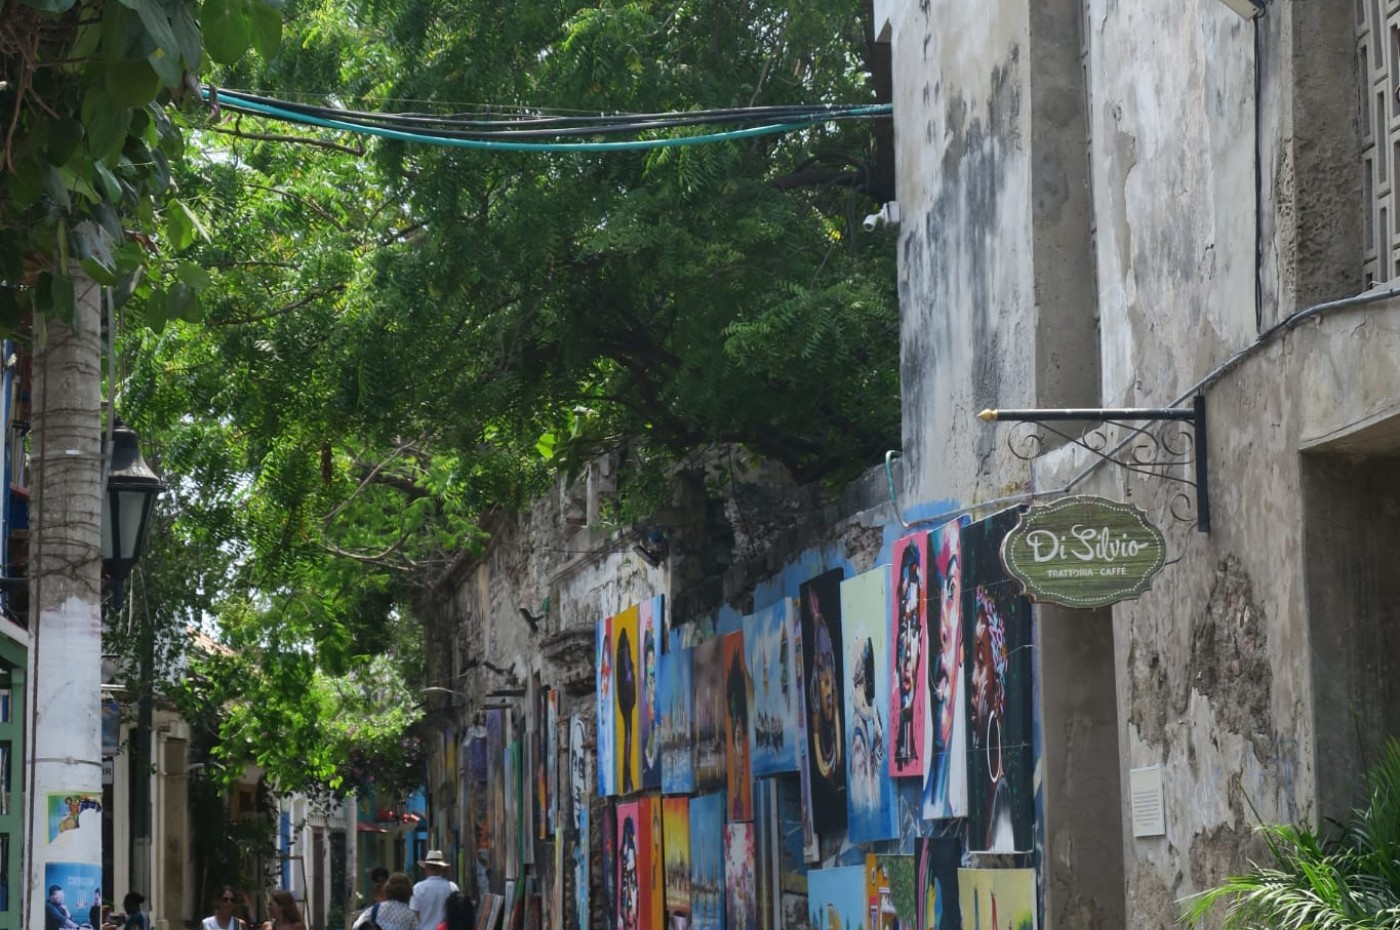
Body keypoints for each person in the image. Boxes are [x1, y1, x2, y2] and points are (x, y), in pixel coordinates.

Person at [409, 851, 459, 930]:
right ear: (441, 869)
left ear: (426, 868)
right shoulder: (452, 888)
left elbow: (414, 914)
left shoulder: (418, 888)